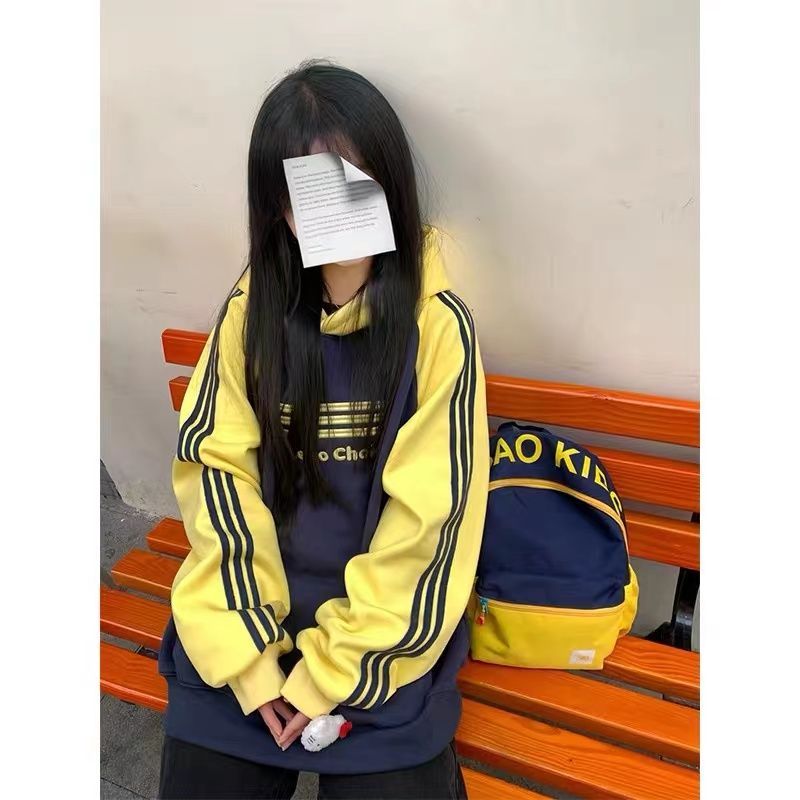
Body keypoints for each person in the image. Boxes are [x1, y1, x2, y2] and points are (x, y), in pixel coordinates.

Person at [157, 59, 489, 800]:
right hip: (247, 617)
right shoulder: (250, 316)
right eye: (309, 190)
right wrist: (251, 662)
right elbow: (216, 477)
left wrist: (328, 674)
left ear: (390, 183)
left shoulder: (438, 328)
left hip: (382, 638)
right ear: (278, 206)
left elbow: (430, 526)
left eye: (355, 180)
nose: (336, 207)